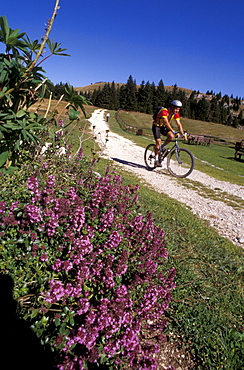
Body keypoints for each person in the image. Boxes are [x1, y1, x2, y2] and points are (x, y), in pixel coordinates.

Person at [152, 100, 185, 167]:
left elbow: (179, 124)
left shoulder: (175, 114)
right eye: (176, 109)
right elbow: (166, 122)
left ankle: (162, 147)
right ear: (172, 107)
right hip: (157, 126)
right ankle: (156, 161)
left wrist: (183, 134)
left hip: (163, 127)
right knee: (158, 141)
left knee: (171, 136)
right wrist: (173, 130)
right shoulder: (164, 111)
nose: (177, 111)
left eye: (178, 109)